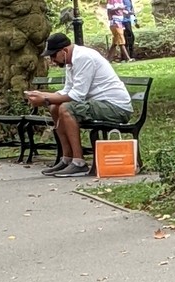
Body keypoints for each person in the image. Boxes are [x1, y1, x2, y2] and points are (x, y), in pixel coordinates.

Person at [24, 32, 133, 177]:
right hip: (99, 104)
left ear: (64, 51)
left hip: (115, 107)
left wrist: (44, 99)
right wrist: (43, 96)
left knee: (66, 108)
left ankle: (79, 163)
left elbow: (77, 96)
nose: (52, 60)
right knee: (54, 107)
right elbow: (67, 91)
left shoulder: (83, 58)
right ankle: (67, 158)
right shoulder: (71, 62)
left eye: (53, 56)